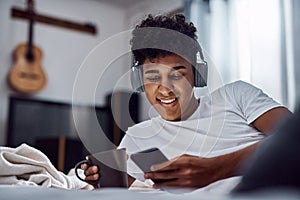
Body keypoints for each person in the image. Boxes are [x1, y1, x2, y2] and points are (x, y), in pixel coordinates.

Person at [81, 13, 291, 192]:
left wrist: (215, 168)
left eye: (177, 74)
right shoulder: (137, 137)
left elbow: (293, 139)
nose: (165, 89)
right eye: (153, 77)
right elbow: (115, 190)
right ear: (140, 81)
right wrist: (98, 180)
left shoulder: (237, 96)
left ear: (197, 74)